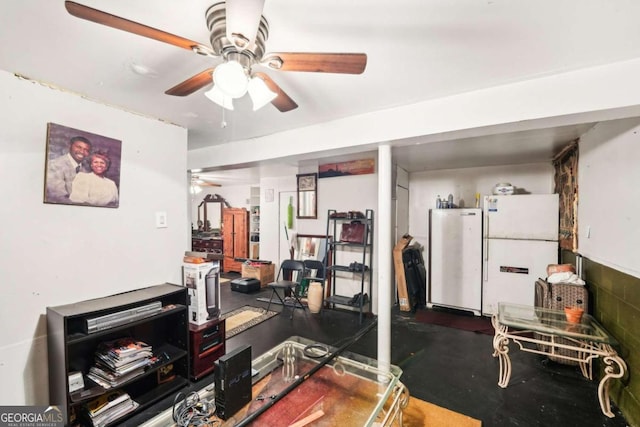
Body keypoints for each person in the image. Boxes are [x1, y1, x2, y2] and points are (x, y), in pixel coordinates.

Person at [45, 136, 91, 203]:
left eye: (86, 150)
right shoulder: (54, 165)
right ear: (70, 146)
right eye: (79, 147)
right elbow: (58, 197)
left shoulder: (86, 171)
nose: (82, 152)